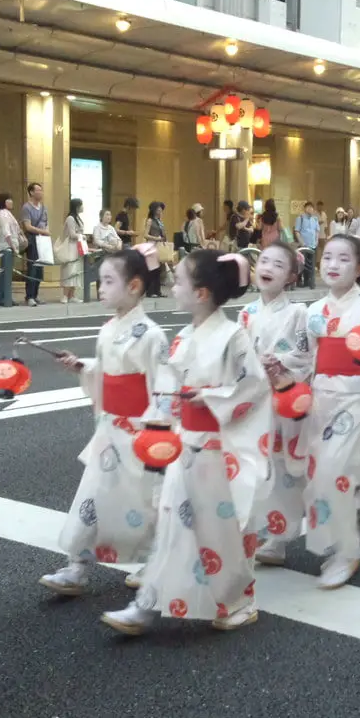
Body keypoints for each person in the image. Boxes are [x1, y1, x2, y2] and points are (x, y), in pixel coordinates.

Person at [101, 250, 272, 635]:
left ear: (201, 293)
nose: (172, 287)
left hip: (218, 447)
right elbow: (165, 391)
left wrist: (212, 397)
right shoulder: (183, 338)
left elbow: (255, 387)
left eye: (179, 281)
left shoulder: (233, 336)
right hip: (186, 444)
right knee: (174, 527)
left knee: (219, 532)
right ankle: (146, 604)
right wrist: (157, 428)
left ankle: (238, 600)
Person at [279, 234, 360, 589]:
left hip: (358, 399)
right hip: (321, 400)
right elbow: (302, 357)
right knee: (322, 474)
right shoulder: (312, 311)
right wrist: (278, 368)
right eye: (328, 258)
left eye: (343, 259)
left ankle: (346, 552)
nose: (333, 265)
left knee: (335, 471)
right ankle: (339, 543)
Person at [39, 250, 168, 596]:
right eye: (101, 281)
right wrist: (82, 367)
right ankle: (77, 565)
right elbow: (106, 374)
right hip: (110, 428)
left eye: (109, 281)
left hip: (139, 431)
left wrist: (158, 434)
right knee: (93, 495)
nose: (101, 288)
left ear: (135, 286)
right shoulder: (108, 329)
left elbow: (162, 388)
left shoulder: (152, 335)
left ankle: (155, 559)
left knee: (143, 501)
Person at [236, 244, 310, 567]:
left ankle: (278, 538)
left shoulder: (298, 314)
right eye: (263, 260)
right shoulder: (246, 313)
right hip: (254, 398)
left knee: (281, 469)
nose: (267, 267)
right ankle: (249, 532)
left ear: (292, 277)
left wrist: (279, 361)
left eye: (278, 265)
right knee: (251, 467)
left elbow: (306, 356)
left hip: (281, 397)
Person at [21, 182, 50, 307]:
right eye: (37, 190)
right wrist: (43, 231)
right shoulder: (26, 208)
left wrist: (46, 232)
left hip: (43, 240)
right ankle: (29, 296)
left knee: (39, 270)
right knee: (32, 269)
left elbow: (46, 222)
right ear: (31, 192)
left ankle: (36, 294)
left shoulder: (44, 207)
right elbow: (27, 226)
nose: (40, 192)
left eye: (41, 190)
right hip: (33, 240)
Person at [0, 193, 25, 307]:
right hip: (6, 247)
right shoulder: (3, 214)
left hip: (10, 246)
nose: (11, 202)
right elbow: (6, 232)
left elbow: (16, 230)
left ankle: (2, 296)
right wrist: (12, 246)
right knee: (5, 274)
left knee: (5, 274)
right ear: (3, 202)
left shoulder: (8, 214)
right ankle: (3, 297)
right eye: (9, 200)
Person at [59, 198, 85, 304]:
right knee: (69, 270)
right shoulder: (70, 218)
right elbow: (71, 234)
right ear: (77, 206)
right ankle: (65, 295)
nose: (83, 207)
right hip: (71, 247)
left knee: (76, 271)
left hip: (78, 247)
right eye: (81, 205)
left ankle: (72, 295)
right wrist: (82, 236)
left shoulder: (78, 218)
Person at [294, 202, 320, 288]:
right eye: (308, 207)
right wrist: (302, 243)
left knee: (311, 264)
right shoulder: (300, 218)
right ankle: (299, 281)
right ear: (305, 209)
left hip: (312, 245)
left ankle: (309, 281)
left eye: (311, 208)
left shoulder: (315, 219)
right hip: (303, 245)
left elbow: (317, 231)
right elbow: (297, 231)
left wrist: (316, 241)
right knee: (302, 264)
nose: (310, 209)